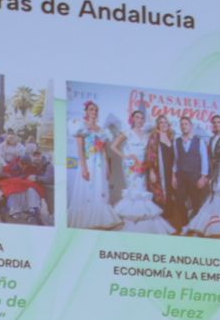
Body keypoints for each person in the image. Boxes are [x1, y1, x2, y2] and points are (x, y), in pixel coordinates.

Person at [110, 109, 173, 235]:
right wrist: (125, 156)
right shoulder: (127, 132)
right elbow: (113, 146)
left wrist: (150, 166)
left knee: (144, 191)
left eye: (141, 118)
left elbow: (151, 151)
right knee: (135, 192)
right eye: (137, 117)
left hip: (144, 166)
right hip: (132, 167)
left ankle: (144, 223)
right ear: (132, 119)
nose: (139, 120)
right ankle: (131, 223)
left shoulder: (147, 134)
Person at [68, 100, 120, 229]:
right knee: (88, 189)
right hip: (89, 162)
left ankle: (100, 219)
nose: (94, 112)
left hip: (100, 164)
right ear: (86, 111)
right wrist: (84, 168)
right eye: (91, 109)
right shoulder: (81, 126)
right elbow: (80, 149)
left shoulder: (102, 130)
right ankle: (87, 220)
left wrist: (107, 167)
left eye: (96, 110)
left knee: (100, 190)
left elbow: (103, 150)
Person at [184, 114, 220, 238]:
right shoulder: (212, 139)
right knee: (214, 196)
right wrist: (208, 175)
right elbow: (210, 158)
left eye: (219, 122)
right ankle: (212, 226)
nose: (216, 124)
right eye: (214, 122)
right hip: (214, 171)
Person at [173, 115, 210, 224]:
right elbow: (176, 160)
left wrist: (203, 177)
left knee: (196, 203)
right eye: (182, 125)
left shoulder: (199, 141)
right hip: (181, 178)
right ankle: (185, 224)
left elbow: (205, 160)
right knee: (179, 201)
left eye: (186, 124)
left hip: (195, 177)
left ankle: (196, 226)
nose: (184, 126)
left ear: (191, 126)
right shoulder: (177, 142)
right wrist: (173, 176)